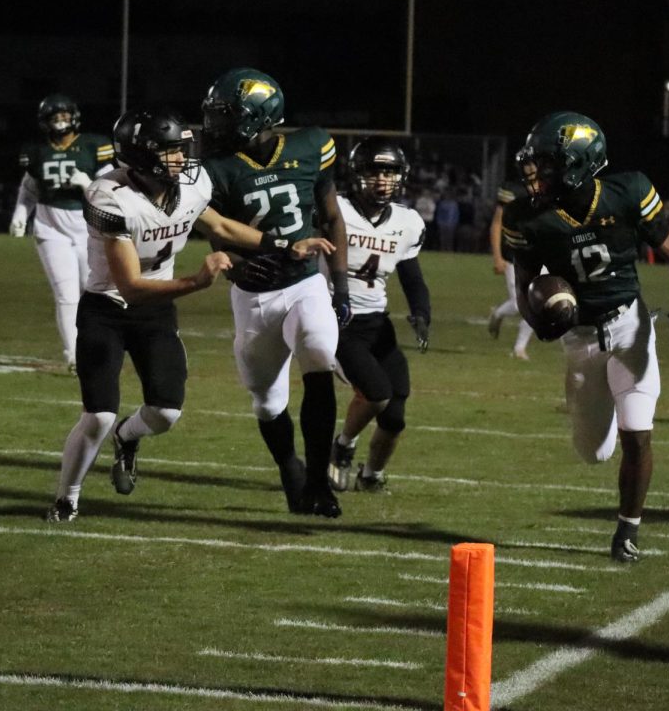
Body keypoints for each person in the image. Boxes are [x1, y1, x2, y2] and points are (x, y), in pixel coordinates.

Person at [46, 108, 333, 522]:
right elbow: (129, 287)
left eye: (181, 149)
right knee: (98, 415)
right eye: (170, 151)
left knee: (165, 413)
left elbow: (222, 225)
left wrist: (285, 246)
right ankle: (67, 498)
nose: (182, 158)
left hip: (155, 311)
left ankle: (128, 438)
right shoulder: (109, 197)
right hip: (107, 309)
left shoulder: (191, 185)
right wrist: (197, 282)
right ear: (142, 156)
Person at [503, 111, 669, 564]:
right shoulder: (527, 217)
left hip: (630, 326)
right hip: (581, 337)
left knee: (639, 434)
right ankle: (606, 410)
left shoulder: (626, 191)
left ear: (577, 163)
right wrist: (540, 320)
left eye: (547, 164)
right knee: (594, 451)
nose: (535, 174)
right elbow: (524, 285)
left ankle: (627, 529)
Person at [201, 67, 351, 518]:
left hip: (304, 283)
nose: (215, 124)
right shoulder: (217, 169)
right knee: (267, 403)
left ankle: (320, 483)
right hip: (254, 296)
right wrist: (252, 263)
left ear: (256, 115)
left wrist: (339, 284)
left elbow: (332, 217)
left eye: (225, 115)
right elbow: (220, 239)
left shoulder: (310, 147)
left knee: (320, 359)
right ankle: (291, 469)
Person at [325, 138, 431, 493]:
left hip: (377, 323)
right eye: (374, 172)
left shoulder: (407, 221)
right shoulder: (334, 209)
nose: (383, 180)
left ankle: (371, 476)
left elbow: (411, 274)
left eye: (390, 172)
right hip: (337, 321)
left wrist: (421, 312)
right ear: (357, 175)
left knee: (395, 415)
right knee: (375, 393)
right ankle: (342, 445)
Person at [9, 95, 117, 370]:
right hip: (50, 227)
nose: (60, 121)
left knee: (91, 289)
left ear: (74, 117)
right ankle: (73, 354)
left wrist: (88, 183)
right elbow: (30, 188)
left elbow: (113, 188)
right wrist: (21, 215)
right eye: (54, 117)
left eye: (64, 116)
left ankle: (98, 345)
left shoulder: (93, 145)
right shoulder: (36, 151)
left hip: (87, 227)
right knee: (67, 295)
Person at [487, 179, 536, 360]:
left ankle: (519, 348)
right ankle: (498, 313)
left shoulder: (549, 186)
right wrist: (497, 257)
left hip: (538, 255)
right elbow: (497, 223)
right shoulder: (512, 188)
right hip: (513, 255)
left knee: (537, 305)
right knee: (518, 305)